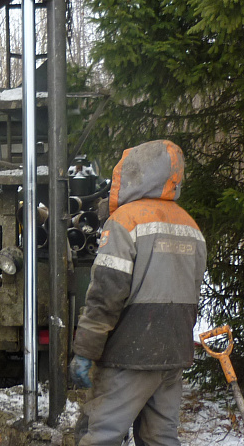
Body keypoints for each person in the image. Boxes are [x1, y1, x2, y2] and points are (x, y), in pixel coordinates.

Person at [69, 140, 206, 446]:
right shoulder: (190, 225)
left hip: (130, 355)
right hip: (172, 354)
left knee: (99, 435)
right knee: (160, 439)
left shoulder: (125, 220)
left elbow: (107, 293)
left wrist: (85, 351)